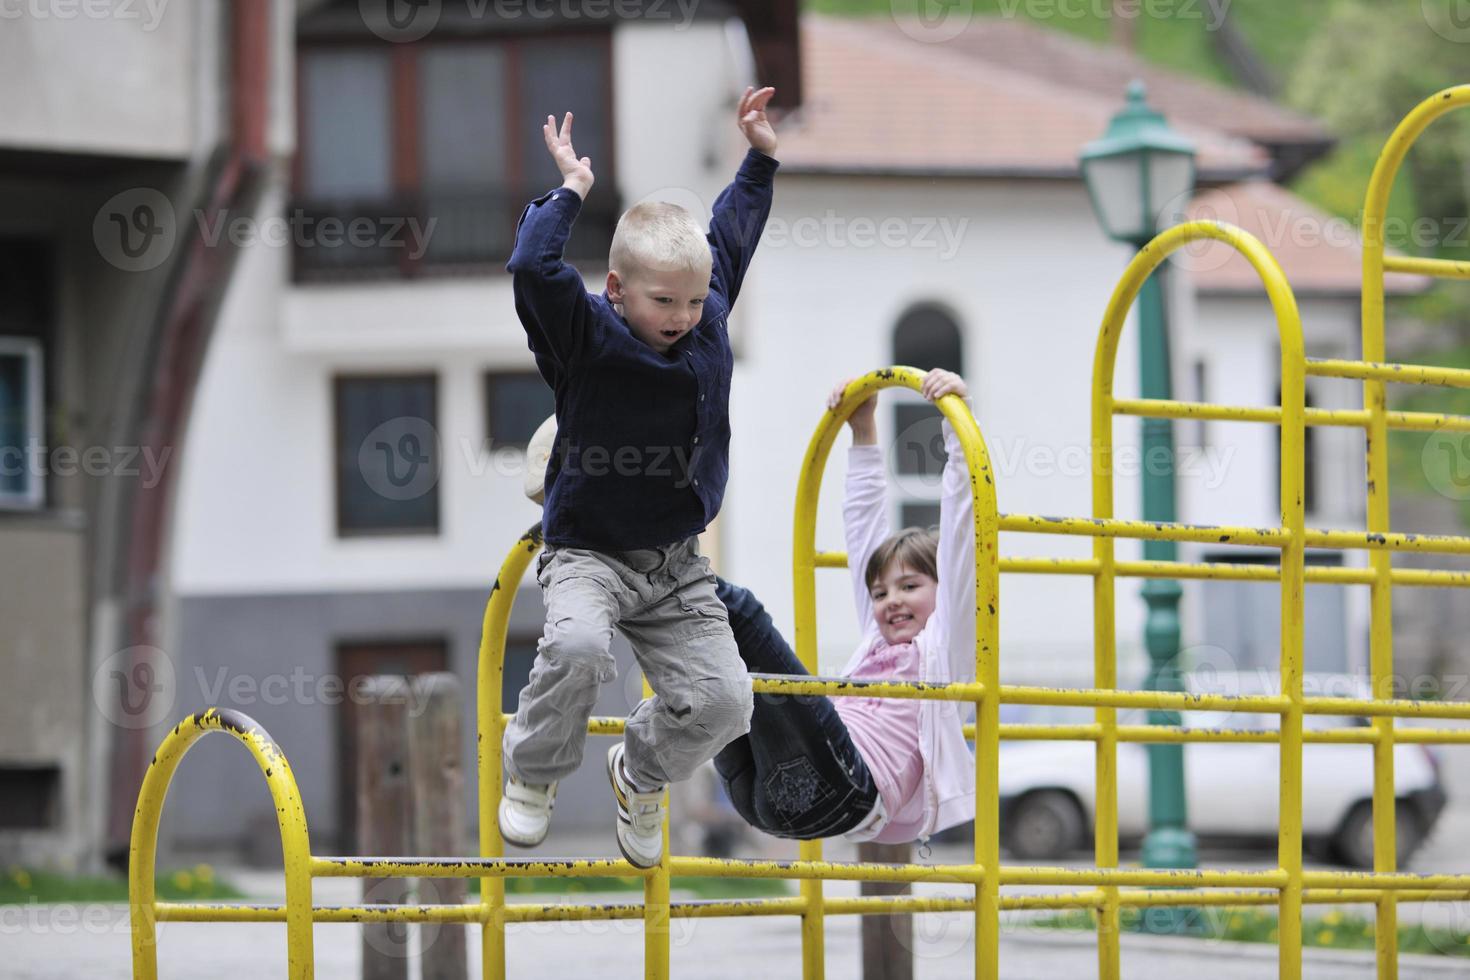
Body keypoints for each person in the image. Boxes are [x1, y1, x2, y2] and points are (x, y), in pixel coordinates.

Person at [498, 88, 780, 869]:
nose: (684, 316)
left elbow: (734, 233)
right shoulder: (584, 335)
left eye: (694, 301)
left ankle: (641, 769)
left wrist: (760, 156)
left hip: (674, 564)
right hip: (588, 551)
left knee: (729, 703)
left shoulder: (705, 312)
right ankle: (532, 773)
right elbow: (530, 266)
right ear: (619, 292)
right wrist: (571, 192)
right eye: (665, 301)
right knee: (581, 648)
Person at [711, 368, 978, 843]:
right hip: (765, 797)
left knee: (738, 613)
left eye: (910, 586)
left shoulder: (946, 648)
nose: (892, 601)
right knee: (708, 650)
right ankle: (649, 756)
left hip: (848, 789)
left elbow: (961, 537)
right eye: (880, 593)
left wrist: (959, 431)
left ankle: (661, 565)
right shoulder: (875, 642)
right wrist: (862, 431)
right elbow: (864, 532)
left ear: (943, 590)